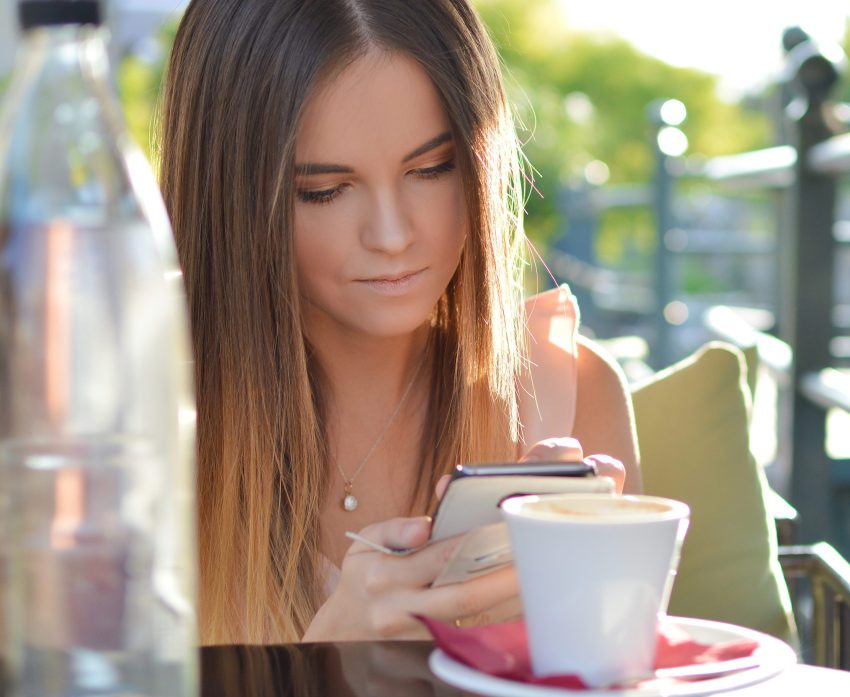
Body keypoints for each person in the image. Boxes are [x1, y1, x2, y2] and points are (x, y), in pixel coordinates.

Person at [158, 0, 641, 645]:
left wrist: (586, 624)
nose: (391, 235)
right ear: (229, 195)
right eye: (324, 190)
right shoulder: (128, 421)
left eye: (431, 169)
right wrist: (323, 667)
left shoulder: (571, 393)